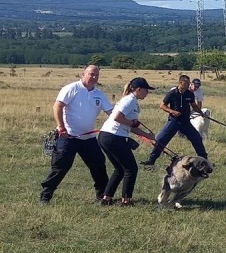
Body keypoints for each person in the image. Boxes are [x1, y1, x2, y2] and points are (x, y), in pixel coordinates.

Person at [39, 65, 113, 204]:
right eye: (91, 74)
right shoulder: (71, 88)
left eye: (96, 75)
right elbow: (57, 106)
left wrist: (126, 121)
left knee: (98, 165)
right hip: (68, 137)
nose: (94, 77)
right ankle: (45, 196)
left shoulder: (99, 94)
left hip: (88, 138)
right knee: (61, 167)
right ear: (83, 74)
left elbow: (112, 113)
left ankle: (103, 196)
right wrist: (61, 128)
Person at [97, 78, 156, 206]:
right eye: (146, 90)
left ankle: (106, 198)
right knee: (131, 169)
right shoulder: (129, 100)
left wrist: (147, 136)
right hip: (114, 137)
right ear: (138, 89)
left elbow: (131, 127)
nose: (147, 93)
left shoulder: (131, 101)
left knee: (120, 169)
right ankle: (126, 200)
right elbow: (117, 117)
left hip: (107, 136)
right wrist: (131, 122)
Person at [140, 75, 208, 166]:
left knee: (197, 139)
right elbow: (162, 105)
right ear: (180, 82)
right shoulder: (172, 93)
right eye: (186, 83)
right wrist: (172, 111)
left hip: (185, 122)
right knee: (161, 140)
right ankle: (151, 161)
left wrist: (201, 113)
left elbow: (194, 105)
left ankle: (204, 161)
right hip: (174, 121)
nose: (188, 85)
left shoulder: (190, 94)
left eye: (189, 83)